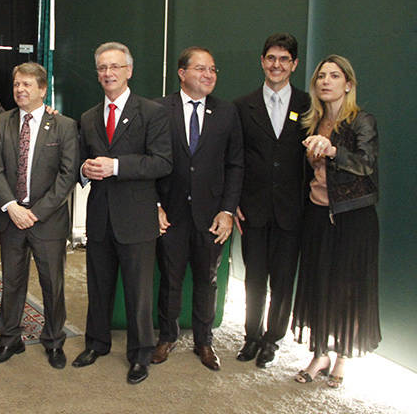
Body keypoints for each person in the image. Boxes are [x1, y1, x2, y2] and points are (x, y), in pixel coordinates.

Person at [72, 42, 172, 384]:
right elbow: (79, 163)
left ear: (129, 70)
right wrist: (85, 169)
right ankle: (96, 344)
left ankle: (140, 354)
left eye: (114, 66)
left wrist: (115, 166)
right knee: (98, 288)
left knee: (138, 293)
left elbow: (162, 162)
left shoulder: (152, 112)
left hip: (136, 220)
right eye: (102, 67)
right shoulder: (88, 117)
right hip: (100, 218)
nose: (108, 73)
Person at [292, 54, 380, 388]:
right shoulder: (313, 122)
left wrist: (331, 151)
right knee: (318, 284)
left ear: (348, 84)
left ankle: (342, 356)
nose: (326, 81)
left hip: (352, 218)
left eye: (334, 76)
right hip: (317, 214)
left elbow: (365, 165)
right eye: (321, 76)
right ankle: (320, 353)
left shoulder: (362, 121)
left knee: (346, 289)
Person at [153, 47, 243, 371]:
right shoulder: (159, 109)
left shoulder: (227, 112)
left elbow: (235, 165)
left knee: (207, 279)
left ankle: (204, 341)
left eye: (213, 69)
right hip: (171, 213)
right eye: (201, 69)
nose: (208, 75)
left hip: (211, 215)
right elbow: (150, 162)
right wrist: (155, 205)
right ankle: (167, 337)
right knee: (170, 278)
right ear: (182, 73)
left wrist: (227, 211)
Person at [0, 62, 79, 369]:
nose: (20, 89)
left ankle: (54, 340)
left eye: (27, 84)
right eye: (17, 84)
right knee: (11, 282)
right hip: (11, 218)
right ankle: (10, 339)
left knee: (53, 283)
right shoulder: (1, 122)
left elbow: (67, 176)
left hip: (48, 220)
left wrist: (35, 213)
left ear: (42, 89)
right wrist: (11, 206)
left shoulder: (64, 126)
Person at [233, 33, 310, 368]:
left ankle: (272, 339)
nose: (276, 65)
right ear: (262, 61)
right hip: (254, 209)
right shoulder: (242, 106)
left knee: (283, 280)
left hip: (292, 211)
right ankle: (251, 336)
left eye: (284, 59)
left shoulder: (308, 105)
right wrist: (233, 201)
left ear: (294, 64)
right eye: (271, 58)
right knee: (254, 278)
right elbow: (235, 158)